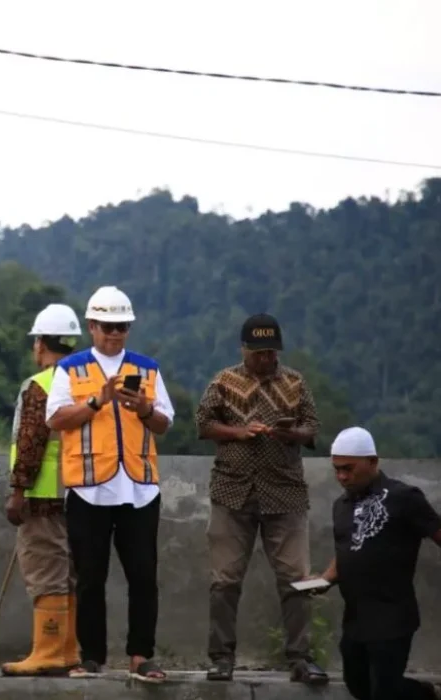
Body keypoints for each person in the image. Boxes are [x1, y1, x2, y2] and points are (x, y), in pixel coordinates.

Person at [45, 286, 173, 682]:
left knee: (143, 576)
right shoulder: (71, 369)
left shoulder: (147, 369)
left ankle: (140, 656)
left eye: (122, 327)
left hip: (138, 487)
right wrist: (97, 402)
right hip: (88, 487)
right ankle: (92, 656)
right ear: (91, 326)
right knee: (89, 577)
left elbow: (165, 423)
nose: (114, 334)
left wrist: (146, 408)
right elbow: (56, 420)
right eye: (107, 326)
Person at [195, 313, 327, 684]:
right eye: (258, 353)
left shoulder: (295, 382)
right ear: (244, 350)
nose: (266, 359)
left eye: (271, 353)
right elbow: (203, 424)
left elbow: (312, 426)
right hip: (232, 490)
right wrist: (239, 432)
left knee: (296, 580)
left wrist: (291, 435)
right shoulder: (224, 381)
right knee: (224, 581)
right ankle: (221, 658)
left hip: (284, 492)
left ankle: (301, 658)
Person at [308, 427, 441, 700]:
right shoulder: (341, 505)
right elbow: (348, 550)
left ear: (373, 462)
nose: (342, 476)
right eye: (336, 469)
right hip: (356, 618)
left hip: (392, 617)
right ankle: (425, 695)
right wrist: (325, 579)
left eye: (348, 468)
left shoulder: (404, 497)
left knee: (384, 692)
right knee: (358, 685)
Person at [2, 303, 82, 677]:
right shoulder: (87, 381)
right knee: (68, 573)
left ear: (40, 343)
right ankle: (67, 651)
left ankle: (48, 651)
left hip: (41, 496)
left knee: (46, 571)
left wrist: (18, 491)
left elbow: (32, 441)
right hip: (81, 493)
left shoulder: (40, 385)